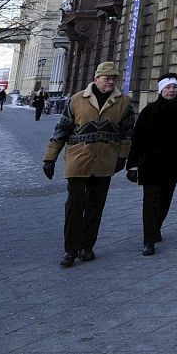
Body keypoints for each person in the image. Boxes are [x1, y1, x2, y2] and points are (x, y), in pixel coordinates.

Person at [43, 60, 135, 268]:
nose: (110, 82)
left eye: (113, 78)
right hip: (79, 159)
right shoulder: (77, 100)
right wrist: (50, 158)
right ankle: (70, 249)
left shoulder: (124, 102)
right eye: (106, 78)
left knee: (95, 206)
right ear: (96, 79)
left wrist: (123, 156)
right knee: (75, 205)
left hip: (104, 160)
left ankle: (87, 246)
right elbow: (61, 130)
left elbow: (128, 132)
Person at [127, 73, 177, 256]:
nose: (171, 90)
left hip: (173, 164)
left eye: (174, 87)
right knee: (151, 201)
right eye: (167, 87)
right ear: (160, 90)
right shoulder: (150, 111)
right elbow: (137, 139)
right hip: (151, 164)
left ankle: (155, 228)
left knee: (165, 200)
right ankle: (149, 239)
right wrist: (132, 165)